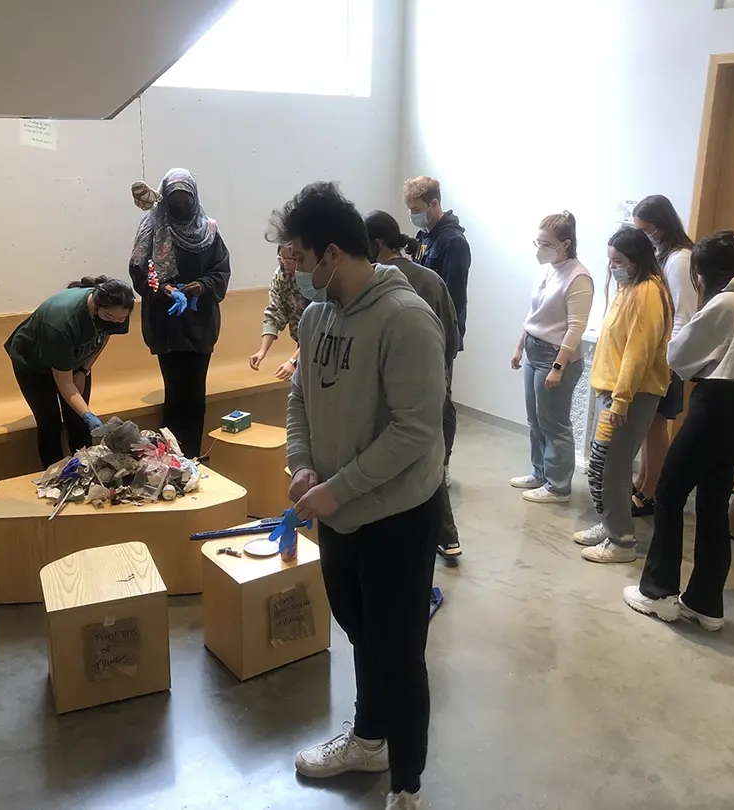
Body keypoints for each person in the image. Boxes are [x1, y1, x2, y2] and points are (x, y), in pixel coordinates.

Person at [275, 182, 445, 810]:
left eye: (295, 256)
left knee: (400, 654)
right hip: (338, 515)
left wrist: (336, 489)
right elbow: (299, 400)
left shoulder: (404, 318)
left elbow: (415, 431)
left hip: (395, 518)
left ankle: (407, 785)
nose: (290, 270)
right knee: (361, 634)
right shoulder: (317, 317)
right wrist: (300, 464)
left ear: (330, 252)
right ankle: (370, 739)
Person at [624, 232, 734, 630]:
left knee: (668, 495)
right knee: (714, 506)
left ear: (708, 271)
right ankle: (705, 604)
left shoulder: (727, 302)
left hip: (714, 407)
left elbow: (679, 354)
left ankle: (658, 593)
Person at [364, 209, 462, 561]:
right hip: (438, 394)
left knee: (405, 471)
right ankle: (445, 537)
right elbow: (451, 338)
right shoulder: (431, 280)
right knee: (429, 464)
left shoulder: (373, 284)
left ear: (374, 245)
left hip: (391, 401)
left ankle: (436, 537)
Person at [575, 227, 672, 564]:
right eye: (610, 260)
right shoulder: (629, 286)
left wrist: (621, 400)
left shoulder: (647, 292)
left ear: (637, 260)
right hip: (614, 393)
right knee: (601, 466)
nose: (612, 267)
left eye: (618, 261)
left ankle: (622, 541)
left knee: (611, 469)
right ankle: (610, 525)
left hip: (629, 397)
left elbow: (638, 352)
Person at [129, 168, 231, 458]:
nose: (181, 205)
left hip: (200, 322)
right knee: (174, 392)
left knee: (196, 392)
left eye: (186, 200)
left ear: (195, 197)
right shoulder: (152, 226)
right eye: (175, 199)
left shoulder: (208, 229)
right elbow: (139, 269)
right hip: (167, 322)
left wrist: (200, 286)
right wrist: (165, 289)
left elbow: (221, 270)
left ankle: (193, 457)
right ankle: (172, 459)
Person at [5, 276, 134, 469]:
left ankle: (87, 469)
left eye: (120, 319)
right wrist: (90, 416)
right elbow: (65, 384)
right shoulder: (61, 321)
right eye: (108, 317)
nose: (114, 322)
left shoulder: (117, 310)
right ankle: (56, 474)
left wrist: (83, 370)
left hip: (74, 361)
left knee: (78, 421)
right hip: (34, 364)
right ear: (96, 306)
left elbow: (103, 337)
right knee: (50, 421)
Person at [509, 211, 593, 504]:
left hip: (556, 356)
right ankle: (540, 472)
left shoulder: (578, 277)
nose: (539, 249)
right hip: (534, 349)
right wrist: (520, 346)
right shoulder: (546, 270)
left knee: (553, 422)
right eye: (537, 242)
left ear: (565, 244)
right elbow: (534, 314)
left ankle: (558, 485)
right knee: (535, 418)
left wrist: (558, 367)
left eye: (545, 244)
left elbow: (575, 328)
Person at [630, 195, 698, 516]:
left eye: (644, 230)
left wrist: (669, 361)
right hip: (658, 355)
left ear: (659, 226)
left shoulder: (680, 260)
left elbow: (683, 315)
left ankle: (652, 491)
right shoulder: (663, 254)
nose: (641, 235)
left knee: (656, 426)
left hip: (668, 358)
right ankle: (643, 480)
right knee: (647, 425)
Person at [404, 175, 471, 485]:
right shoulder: (427, 235)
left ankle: (442, 465)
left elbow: (451, 298)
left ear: (434, 204)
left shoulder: (454, 242)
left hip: (441, 331)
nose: (412, 213)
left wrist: (441, 337)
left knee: (441, 400)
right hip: (420, 329)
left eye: (416, 207)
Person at [249, 242, 307, 381]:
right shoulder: (282, 275)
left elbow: (319, 325)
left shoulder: (316, 277)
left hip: (324, 342)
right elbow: (274, 311)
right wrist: (262, 350)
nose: (287, 264)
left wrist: (293, 361)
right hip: (303, 343)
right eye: (282, 259)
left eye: (292, 260)